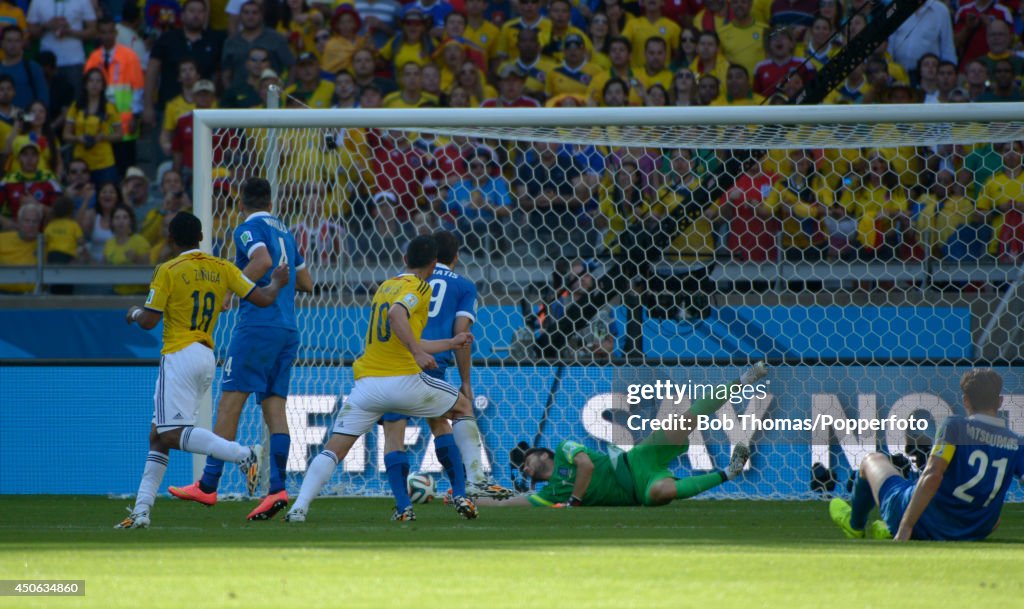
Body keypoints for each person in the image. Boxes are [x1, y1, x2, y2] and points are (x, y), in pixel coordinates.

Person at [284, 235, 480, 523]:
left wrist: (450, 343)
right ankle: (470, 485)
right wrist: (417, 352)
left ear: (404, 260)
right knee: (462, 407)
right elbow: (397, 315)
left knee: (335, 448)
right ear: (433, 263)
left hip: (367, 386)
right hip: (404, 381)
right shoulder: (418, 286)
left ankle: (299, 507)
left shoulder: (385, 286)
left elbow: (401, 330)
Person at [115, 211, 291, 529]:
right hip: (207, 356)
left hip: (179, 355)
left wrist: (134, 312)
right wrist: (276, 282)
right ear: (200, 238)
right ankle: (141, 511)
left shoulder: (168, 269)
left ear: (171, 240)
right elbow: (263, 299)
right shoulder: (222, 267)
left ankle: (244, 455)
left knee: (169, 433)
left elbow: (150, 321)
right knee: (158, 436)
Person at [168, 178, 314, 522]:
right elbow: (308, 283)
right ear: (271, 200)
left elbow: (261, 261)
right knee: (275, 410)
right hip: (287, 329)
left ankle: (208, 484)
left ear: (241, 202)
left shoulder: (246, 229)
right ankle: (276, 489)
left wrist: (230, 290)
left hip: (257, 327)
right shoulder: (288, 234)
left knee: (230, 403)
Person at [477, 363, 768, 508]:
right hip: (638, 490)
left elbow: (587, 466)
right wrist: (467, 497)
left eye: (525, 461)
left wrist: (575, 501)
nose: (526, 469)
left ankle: (743, 380)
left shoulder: (566, 448)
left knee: (687, 419)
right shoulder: (549, 493)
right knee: (659, 493)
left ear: (542, 454)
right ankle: (729, 472)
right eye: (523, 469)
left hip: (638, 458)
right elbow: (507, 503)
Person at [379, 231, 514, 521]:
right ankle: (467, 487)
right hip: (433, 364)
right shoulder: (463, 286)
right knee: (442, 422)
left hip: (395, 364)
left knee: (394, 434)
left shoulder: (402, 282)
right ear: (455, 257)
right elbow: (461, 333)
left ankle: (404, 507)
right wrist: (466, 380)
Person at [830, 369, 1024, 542]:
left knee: (872, 460)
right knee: (994, 519)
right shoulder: (1017, 443)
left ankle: (855, 526)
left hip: (923, 521)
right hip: (971, 529)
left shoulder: (955, 427)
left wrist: (905, 527)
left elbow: (933, 475)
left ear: (966, 400)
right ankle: (893, 527)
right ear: (999, 401)